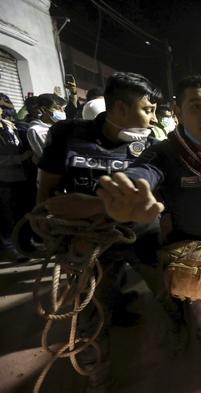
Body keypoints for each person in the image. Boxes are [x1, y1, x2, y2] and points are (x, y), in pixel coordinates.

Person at [96, 74, 201, 384]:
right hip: (190, 255)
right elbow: (144, 172)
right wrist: (130, 186)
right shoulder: (164, 153)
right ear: (177, 112)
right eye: (195, 106)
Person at [36, 71, 162, 392]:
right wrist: (51, 228)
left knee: (166, 289)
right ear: (120, 108)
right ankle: (98, 378)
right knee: (91, 312)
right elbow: (46, 191)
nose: (153, 116)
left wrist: (94, 205)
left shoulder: (150, 143)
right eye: (148, 109)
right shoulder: (67, 134)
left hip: (136, 236)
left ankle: (177, 328)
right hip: (85, 241)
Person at [0, 105, 32, 261]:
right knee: (7, 216)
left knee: (21, 212)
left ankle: (23, 244)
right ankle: (10, 248)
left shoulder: (8, 125)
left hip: (20, 176)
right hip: (3, 179)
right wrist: (19, 159)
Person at [27, 93, 67, 164]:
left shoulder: (63, 125)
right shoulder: (35, 130)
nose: (62, 112)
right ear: (44, 109)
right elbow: (47, 157)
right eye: (57, 108)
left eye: (63, 109)